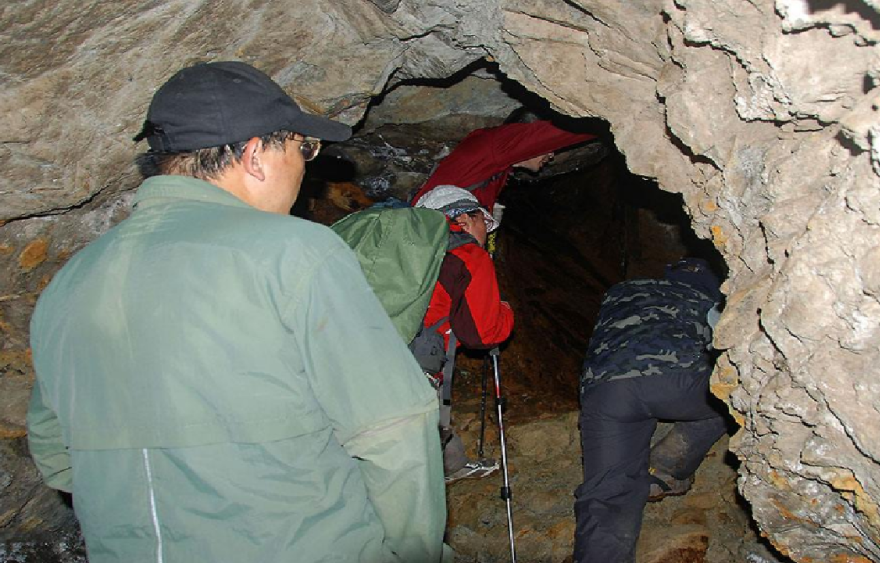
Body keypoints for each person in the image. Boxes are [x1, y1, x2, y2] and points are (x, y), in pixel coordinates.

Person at [27, 61, 449, 563]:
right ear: (254, 155)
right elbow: (392, 430)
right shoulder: (297, 252)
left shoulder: (73, 280)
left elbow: (57, 457)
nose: (305, 166)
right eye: (301, 147)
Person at [573, 258, 727, 563]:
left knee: (605, 496)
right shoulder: (709, 300)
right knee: (746, 392)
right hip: (674, 381)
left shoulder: (621, 291)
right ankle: (666, 467)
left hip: (604, 391)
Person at [413, 185, 515, 482]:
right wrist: (505, 310)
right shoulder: (467, 253)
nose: (488, 231)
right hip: (410, 369)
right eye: (485, 221)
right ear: (466, 221)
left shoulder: (409, 250)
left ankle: (452, 465)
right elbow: (483, 334)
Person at [410, 117, 595, 215]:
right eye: (548, 149)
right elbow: (559, 133)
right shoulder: (494, 146)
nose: (551, 154)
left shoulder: (496, 169)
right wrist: (606, 121)